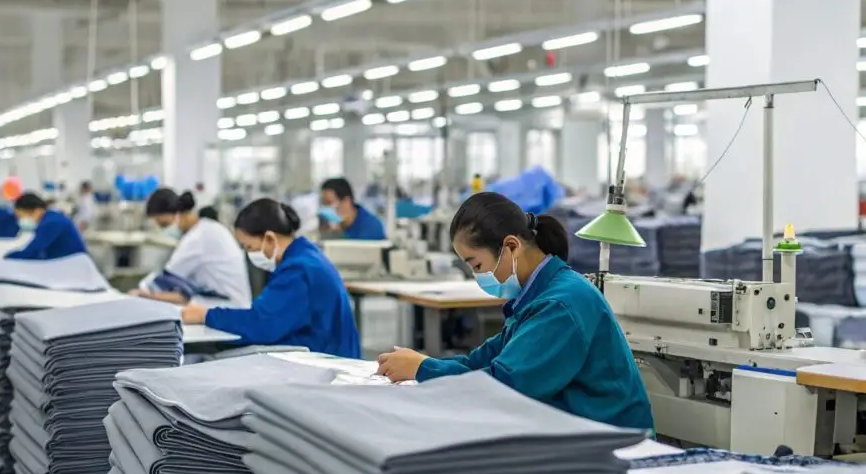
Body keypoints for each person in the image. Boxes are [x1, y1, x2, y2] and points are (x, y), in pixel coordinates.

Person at [377, 192, 654, 431]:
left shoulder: (560, 305)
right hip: (576, 430)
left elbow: (506, 388)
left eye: (477, 266)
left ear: (511, 246)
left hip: (613, 442)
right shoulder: (535, 298)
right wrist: (421, 364)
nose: (478, 276)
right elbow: (478, 363)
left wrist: (423, 369)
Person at [181, 198, 361, 358]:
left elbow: (261, 324)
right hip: (326, 350)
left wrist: (206, 315)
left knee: (215, 358)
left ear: (269, 238)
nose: (249, 254)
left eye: (250, 247)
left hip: (325, 361)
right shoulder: (306, 255)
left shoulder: (298, 271)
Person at [133, 189, 251, 307]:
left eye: (165, 224)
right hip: (231, 302)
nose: (165, 230)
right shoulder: (209, 228)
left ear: (178, 214)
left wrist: (142, 292)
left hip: (228, 306)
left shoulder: (197, 238)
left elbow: (164, 281)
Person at [4, 191, 87, 260]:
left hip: (73, 265)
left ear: (36, 210)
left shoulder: (52, 223)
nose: (19, 221)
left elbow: (33, 251)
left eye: (20, 217)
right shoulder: (51, 217)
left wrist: (8, 257)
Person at [319, 177, 386, 240]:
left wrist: (338, 235)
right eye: (323, 203)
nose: (325, 208)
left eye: (329, 202)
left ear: (346, 202)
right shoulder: (330, 226)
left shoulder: (371, 226)